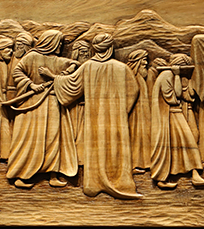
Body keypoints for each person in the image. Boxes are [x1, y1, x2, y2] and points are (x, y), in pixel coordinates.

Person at [53, 33, 142, 199]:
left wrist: (55, 78)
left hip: (94, 116)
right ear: (110, 48)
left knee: (96, 145)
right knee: (116, 147)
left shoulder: (88, 67)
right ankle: (119, 181)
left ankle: (94, 184)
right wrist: (122, 111)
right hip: (117, 118)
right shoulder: (121, 68)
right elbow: (133, 90)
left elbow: (71, 86)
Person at [6, 29, 79, 189]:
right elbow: (17, 71)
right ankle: (21, 175)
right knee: (30, 139)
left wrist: (69, 69)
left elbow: (76, 65)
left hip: (53, 103)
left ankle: (53, 174)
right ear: (50, 42)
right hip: (33, 104)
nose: (60, 46)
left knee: (53, 139)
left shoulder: (58, 60)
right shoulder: (32, 57)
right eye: (58, 43)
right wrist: (31, 84)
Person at [150, 54, 204, 190]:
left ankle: (195, 175)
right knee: (186, 142)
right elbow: (174, 97)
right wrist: (177, 76)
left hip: (174, 113)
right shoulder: (167, 75)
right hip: (170, 114)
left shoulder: (171, 75)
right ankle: (162, 177)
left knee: (185, 143)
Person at [126, 49, 152, 173]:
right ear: (137, 61)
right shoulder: (131, 76)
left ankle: (144, 163)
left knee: (142, 137)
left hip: (142, 113)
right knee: (135, 137)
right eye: (144, 60)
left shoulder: (140, 76)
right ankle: (134, 164)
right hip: (135, 113)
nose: (146, 63)